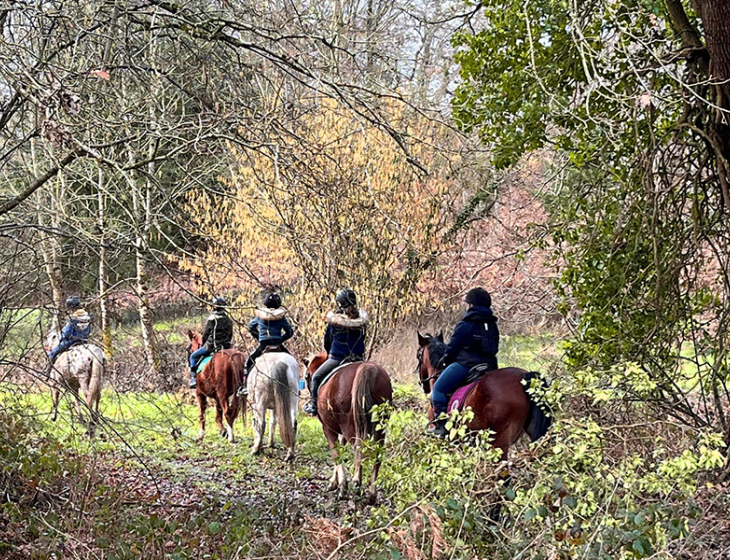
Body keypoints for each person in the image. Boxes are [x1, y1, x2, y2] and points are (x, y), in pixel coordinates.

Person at [428, 287, 500, 437]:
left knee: (438, 389)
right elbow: (495, 347)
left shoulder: (465, 324)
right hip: (490, 365)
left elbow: (453, 347)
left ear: (471, 305)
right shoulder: (492, 324)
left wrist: (445, 360)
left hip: (466, 365)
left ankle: (441, 426)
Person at [303, 288, 367, 416]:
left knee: (315, 377)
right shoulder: (362, 322)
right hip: (358, 359)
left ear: (339, 303)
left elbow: (327, 341)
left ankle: (314, 406)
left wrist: (329, 352)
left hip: (337, 358)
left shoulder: (335, 322)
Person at [240, 292, 294, 395]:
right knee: (292, 362)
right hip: (278, 344)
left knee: (248, 362)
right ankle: (296, 388)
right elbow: (289, 332)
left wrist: (259, 337)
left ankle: (245, 386)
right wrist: (281, 339)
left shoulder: (260, 316)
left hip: (264, 345)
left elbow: (251, 327)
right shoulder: (281, 316)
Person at [189, 296, 234, 389]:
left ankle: (193, 379)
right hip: (226, 347)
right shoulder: (229, 320)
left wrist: (204, 343)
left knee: (193, 356)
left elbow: (205, 334)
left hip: (212, 347)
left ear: (214, 307)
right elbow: (230, 335)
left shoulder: (212, 319)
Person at [48, 296, 91, 364]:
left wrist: (62, 337)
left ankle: (47, 371)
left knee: (52, 353)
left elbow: (67, 333)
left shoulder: (72, 318)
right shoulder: (87, 316)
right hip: (84, 341)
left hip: (71, 341)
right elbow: (89, 331)